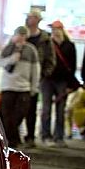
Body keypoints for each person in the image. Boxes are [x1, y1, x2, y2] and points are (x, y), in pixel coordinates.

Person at [0, 26, 41, 149]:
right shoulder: (8, 48)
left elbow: (35, 70)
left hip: (24, 87)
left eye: (23, 35)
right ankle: (11, 141)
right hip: (8, 86)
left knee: (19, 114)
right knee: (6, 115)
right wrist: (11, 59)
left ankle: (12, 139)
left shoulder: (31, 50)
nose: (20, 38)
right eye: (18, 35)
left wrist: (34, 87)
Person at [22, 9, 55, 148]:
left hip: (36, 77)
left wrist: (44, 74)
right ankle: (13, 136)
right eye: (28, 17)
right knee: (16, 107)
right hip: (19, 76)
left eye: (32, 17)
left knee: (32, 108)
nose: (29, 19)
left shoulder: (45, 38)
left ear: (38, 19)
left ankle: (30, 136)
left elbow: (51, 59)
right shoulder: (22, 34)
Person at [41, 21, 77, 146]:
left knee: (61, 110)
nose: (55, 31)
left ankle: (59, 137)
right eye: (53, 29)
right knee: (46, 108)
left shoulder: (69, 45)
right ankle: (45, 136)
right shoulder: (47, 44)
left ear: (62, 29)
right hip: (47, 79)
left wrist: (70, 85)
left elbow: (72, 67)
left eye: (57, 28)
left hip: (62, 81)